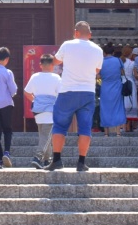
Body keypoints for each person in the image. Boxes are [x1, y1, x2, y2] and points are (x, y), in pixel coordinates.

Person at [45, 21, 104, 172]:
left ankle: (57, 160)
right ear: (90, 35)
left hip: (67, 91)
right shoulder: (98, 49)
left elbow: (56, 61)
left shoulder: (67, 45)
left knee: (59, 126)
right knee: (85, 128)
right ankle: (81, 163)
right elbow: (97, 70)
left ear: (76, 32)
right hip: (88, 93)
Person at [23, 53, 61, 169]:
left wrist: (35, 100)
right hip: (50, 111)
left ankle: (47, 160)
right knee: (47, 137)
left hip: (38, 111)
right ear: (52, 65)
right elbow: (61, 95)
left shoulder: (35, 76)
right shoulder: (56, 78)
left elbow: (27, 92)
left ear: (41, 65)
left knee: (44, 136)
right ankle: (38, 157)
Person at [99, 44, 127, 136]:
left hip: (105, 87)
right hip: (117, 87)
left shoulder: (101, 62)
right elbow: (122, 73)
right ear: (113, 52)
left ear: (104, 52)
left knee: (105, 108)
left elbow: (98, 76)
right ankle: (118, 132)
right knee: (117, 108)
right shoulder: (118, 60)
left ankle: (106, 132)